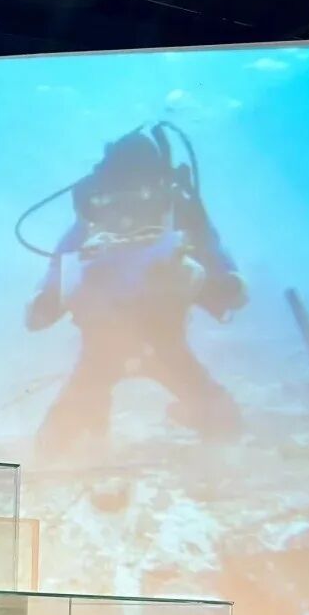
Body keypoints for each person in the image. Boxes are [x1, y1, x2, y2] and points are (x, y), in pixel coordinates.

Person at [23, 123, 246, 435]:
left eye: (141, 195)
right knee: (62, 437)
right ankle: (87, 433)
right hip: (110, 344)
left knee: (225, 423)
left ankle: (196, 417)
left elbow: (223, 271)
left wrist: (223, 284)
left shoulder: (180, 215)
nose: (128, 213)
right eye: (117, 198)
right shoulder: (92, 221)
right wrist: (46, 302)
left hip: (161, 342)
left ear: (159, 187)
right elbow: (54, 279)